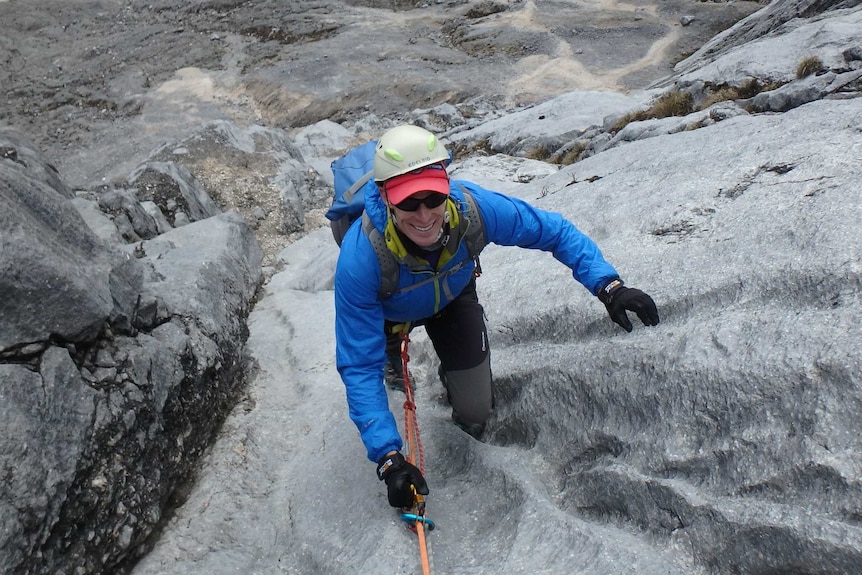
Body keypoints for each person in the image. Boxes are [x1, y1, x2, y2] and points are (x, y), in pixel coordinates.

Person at [333, 124, 659, 509]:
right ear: (386, 197)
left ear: (446, 187)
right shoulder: (361, 258)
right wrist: (389, 459)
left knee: (476, 411)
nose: (423, 215)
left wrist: (609, 286)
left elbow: (553, 232)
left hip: (452, 298)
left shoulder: (475, 210)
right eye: (408, 203)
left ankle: (452, 370)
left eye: (433, 197)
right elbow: (357, 364)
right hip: (388, 311)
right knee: (376, 357)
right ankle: (393, 349)